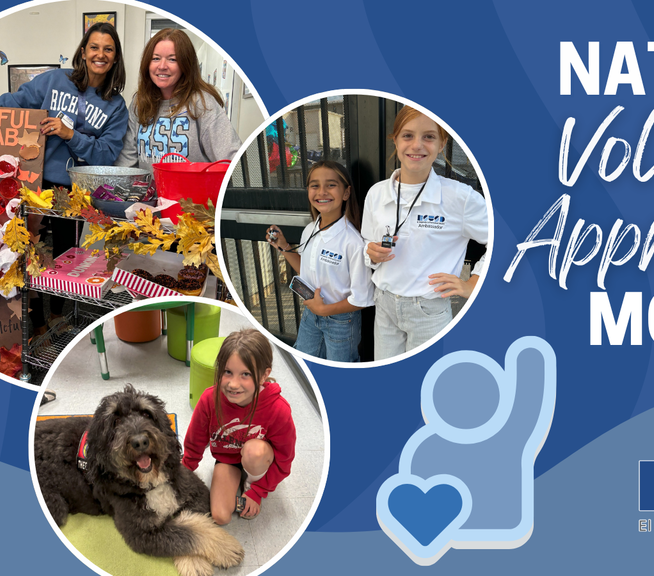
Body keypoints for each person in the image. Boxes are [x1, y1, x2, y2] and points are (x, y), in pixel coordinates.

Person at [0, 22, 129, 338]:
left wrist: (70, 134)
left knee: (66, 257)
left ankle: (60, 318)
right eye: (94, 47)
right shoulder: (55, 80)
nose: (100, 54)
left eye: (108, 49)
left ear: (115, 58)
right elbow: (14, 102)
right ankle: (36, 324)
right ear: (83, 51)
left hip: (74, 190)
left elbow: (105, 155)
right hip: (34, 181)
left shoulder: (116, 106)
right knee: (26, 252)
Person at [361, 106, 489, 360]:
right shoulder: (376, 193)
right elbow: (366, 243)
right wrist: (371, 254)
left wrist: (472, 283)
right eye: (407, 135)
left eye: (429, 136)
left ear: (442, 143)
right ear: (395, 139)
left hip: (428, 312)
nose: (417, 145)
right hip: (384, 306)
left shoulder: (460, 198)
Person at [182, 328, 296, 524]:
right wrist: (183, 472)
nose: (233, 384)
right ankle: (240, 478)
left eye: (245, 374)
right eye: (227, 372)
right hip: (227, 459)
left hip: (258, 459)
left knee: (254, 451)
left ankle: (251, 484)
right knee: (220, 516)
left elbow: (285, 460)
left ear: (264, 375)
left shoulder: (278, 410)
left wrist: (258, 492)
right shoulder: (210, 399)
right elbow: (195, 441)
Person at [267, 161, 373, 362]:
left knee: (339, 369)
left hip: (341, 322)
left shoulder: (353, 242)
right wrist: (283, 246)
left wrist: (324, 310)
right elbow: (306, 271)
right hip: (310, 315)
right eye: (315, 185)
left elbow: (362, 297)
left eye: (331, 185)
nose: (322, 192)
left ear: (346, 193)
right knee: (305, 362)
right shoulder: (310, 230)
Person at [115, 28, 241, 171]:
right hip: (148, 193)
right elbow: (126, 165)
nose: (162, 66)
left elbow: (234, 161)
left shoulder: (202, 103)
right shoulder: (139, 102)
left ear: (185, 65)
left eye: (172, 59)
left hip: (192, 193)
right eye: (156, 58)